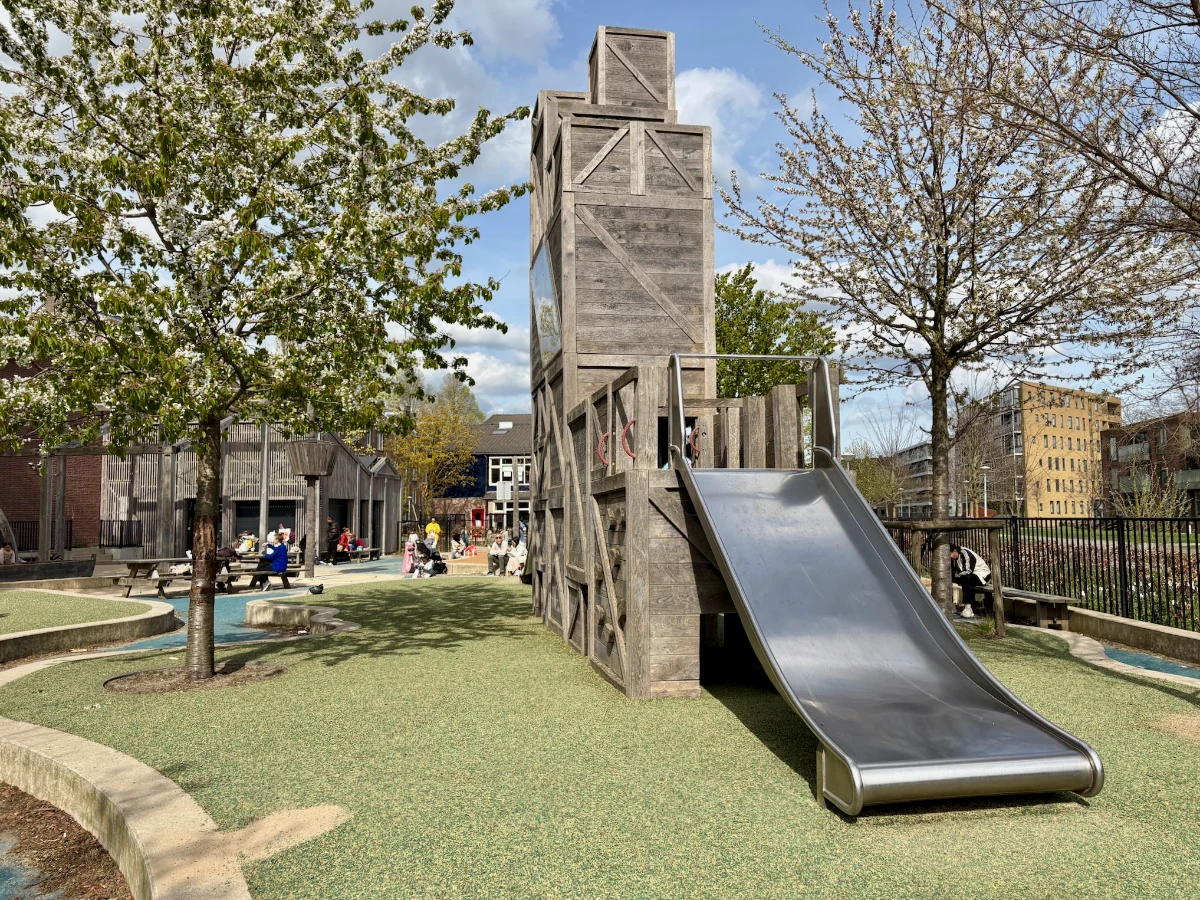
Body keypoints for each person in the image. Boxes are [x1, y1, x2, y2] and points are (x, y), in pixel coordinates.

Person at [950, 544, 992, 614]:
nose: (949, 557)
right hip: (972, 575)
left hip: (983, 576)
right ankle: (950, 604)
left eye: (950, 554)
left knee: (965, 578)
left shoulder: (965, 553)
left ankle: (968, 607)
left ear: (954, 551)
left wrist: (957, 576)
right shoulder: (954, 558)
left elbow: (968, 571)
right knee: (952, 578)